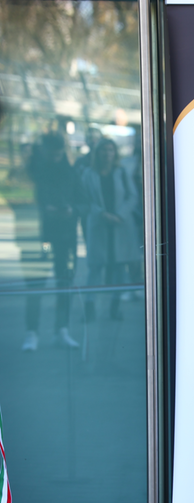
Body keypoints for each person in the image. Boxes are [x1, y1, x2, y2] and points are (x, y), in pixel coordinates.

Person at [23, 131, 81, 350]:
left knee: (64, 282)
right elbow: (23, 202)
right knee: (36, 283)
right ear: (44, 152)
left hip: (65, 236)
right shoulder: (34, 172)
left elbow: (82, 201)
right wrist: (42, 209)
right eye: (52, 154)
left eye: (58, 154)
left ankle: (61, 330)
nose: (56, 158)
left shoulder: (70, 172)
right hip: (41, 237)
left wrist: (71, 210)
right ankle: (32, 332)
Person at [78, 138, 141, 321]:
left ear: (115, 153)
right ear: (97, 153)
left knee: (120, 267)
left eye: (111, 150)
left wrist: (119, 215)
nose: (107, 154)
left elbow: (132, 196)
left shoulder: (121, 172)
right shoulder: (88, 174)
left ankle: (115, 307)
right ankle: (89, 308)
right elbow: (85, 199)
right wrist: (102, 214)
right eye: (104, 150)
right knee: (95, 267)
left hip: (121, 226)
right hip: (99, 225)